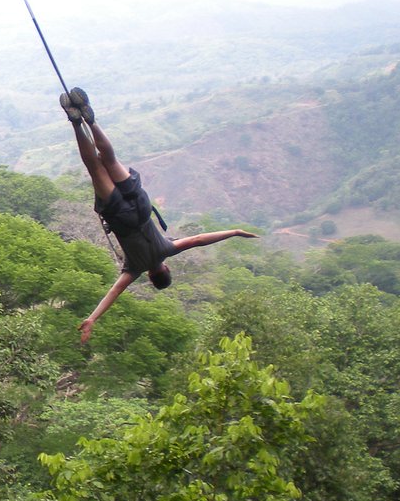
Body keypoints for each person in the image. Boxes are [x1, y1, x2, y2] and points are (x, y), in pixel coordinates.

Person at [61, 87, 259, 344]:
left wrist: (233, 232)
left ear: (165, 269)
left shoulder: (168, 249)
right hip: (120, 216)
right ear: (152, 276)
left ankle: (91, 120)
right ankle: (76, 122)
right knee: (94, 167)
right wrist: (92, 318)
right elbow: (114, 292)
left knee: (109, 159)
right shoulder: (133, 269)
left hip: (141, 209)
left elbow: (199, 239)